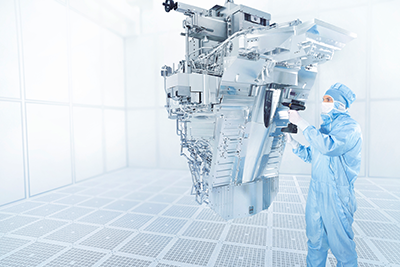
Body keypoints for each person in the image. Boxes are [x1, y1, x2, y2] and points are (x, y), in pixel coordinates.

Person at [285, 83, 362, 267]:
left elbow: (328, 147)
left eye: (329, 100)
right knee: (315, 242)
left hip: (337, 194)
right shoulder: (325, 128)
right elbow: (314, 154)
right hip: (316, 191)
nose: (324, 103)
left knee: (342, 248)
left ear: (340, 104)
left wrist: (301, 123)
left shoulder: (350, 127)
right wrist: (294, 144)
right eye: (323, 99)